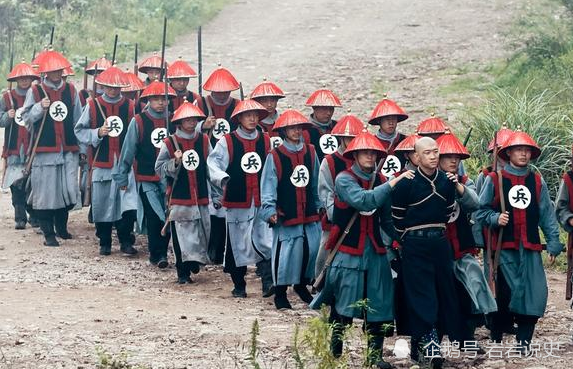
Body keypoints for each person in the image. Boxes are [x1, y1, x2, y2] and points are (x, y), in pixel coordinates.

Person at [311, 130, 413, 369]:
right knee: (344, 303)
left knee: (379, 303)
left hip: (375, 252)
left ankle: (374, 356)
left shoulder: (379, 182)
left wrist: (403, 238)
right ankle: (336, 349)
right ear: (355, 155)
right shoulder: (344, 179)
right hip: (347, 251)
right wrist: (392, 183)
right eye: (364, 152)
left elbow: (386, 220)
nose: (369, 156)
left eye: (373, 153)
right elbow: (364, 201)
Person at [475, 129, 563, 351]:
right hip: (503, 248)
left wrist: (553, 241)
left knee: (534, 292)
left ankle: (524, 342)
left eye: (527, 150)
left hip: (530, 247)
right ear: (509, 153)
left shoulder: (536, 181)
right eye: (518, 150)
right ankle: (496, 335)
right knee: (504, 292)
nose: (523, 154)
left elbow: (546, 214)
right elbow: (481, 212)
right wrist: (496, 218)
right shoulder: (495, 179)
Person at [391, 136, 463, 367]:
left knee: (443, 294)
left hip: (440, 244)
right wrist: (409, 240)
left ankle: (423, 343)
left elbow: (449, 212)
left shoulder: (447, 182)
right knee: (421, 296)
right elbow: (397, 219)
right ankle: (430, 347)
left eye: (436, 152)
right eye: (427, 153)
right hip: (414, 244)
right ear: (416, 157)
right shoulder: (405, 183)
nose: (433, 157)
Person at [436, 130, 497, 349]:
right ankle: (434, 343)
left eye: (457, 157)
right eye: (448, 156)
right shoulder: (426, 181)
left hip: (461, 248)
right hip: (436, 251)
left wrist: (457, 186)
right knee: (440, 297)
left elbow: (475, 203)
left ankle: (466, 339)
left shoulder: (464, 181)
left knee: (469, 292)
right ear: (437, 158)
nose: (453, 160)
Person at [208, 99, 274, 298]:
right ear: (239, 118)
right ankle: (239, 284)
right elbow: (213, 163)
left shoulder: (266, 139)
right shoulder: (227, 141)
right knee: (238, 243)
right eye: (248, 115)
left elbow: (272, 167)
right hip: (237, 199)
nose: (253, 119)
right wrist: (223, 179)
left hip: (262, 199)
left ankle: (267, 281)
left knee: (265, 240)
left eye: (255, 115)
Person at [260, 108, 322, 309]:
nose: (296, 131)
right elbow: (268, 185)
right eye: (291, 128)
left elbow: (316, 182)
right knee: (286, 254)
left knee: (310, 251)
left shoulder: (311, 152)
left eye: (299, 127)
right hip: (286, 212)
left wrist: (320, 204)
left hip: (309, 212)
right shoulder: (275, 155)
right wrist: (269, 210)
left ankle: (301, 285)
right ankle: (280, 293)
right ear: (284, 131)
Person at [74, 66, 138, 256]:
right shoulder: (93, 105)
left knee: (125, 202)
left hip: (124, 163)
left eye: (116, 87)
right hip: (101, 162)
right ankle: (104, 241)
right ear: (102, 86)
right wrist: (97, 133)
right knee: (102, 202)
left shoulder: (130, 106)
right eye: (109, 87)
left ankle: (126, 241)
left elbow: (136, 131)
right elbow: (79, 130)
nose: (112, 90)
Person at [22, 49, 83, 247]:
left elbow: (78, 120)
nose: (57, 74)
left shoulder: (71, 90)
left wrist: (81, 148)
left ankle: (62, 227)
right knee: (46, 192)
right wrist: (40, 106)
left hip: (68, 149)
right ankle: (48, 233)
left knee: (67, 190)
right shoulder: (36, 91)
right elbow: (26, 118)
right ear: (46, 72)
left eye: (59, 70)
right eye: (53, 70)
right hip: (44, 151)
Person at [112, 81, 176, 268]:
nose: (160, 103)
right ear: (148, 100)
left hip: (169, 179)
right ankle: (158, 254)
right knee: (155, 216)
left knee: (168, 215)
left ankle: (162, 252)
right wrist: (122, 176)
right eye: (156, 99)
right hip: (146, 178)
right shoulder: (138, 121)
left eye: (164, 99)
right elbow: (128, 150)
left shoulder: (174, 120)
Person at [155, 99, 213, 283]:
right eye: (187, 120)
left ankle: (194, 262)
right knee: (182, 236)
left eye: (194, 119)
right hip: (180, 197)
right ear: (179, 122)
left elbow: (212, 165)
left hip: (201, 195)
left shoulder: (204, 140)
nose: (192, 123)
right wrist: (175, 162)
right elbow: (159, 168)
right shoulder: (170, 142)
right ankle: (183, 272)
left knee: (202, 232)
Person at [198, 65, 241, 264]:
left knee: (227, 205)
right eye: (218, 91)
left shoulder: (239, 106)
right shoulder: (201, 103)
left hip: (231, 161)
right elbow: (183, 126)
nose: (222, 95)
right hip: (206, 160)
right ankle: (211, 246)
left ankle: (226, 247)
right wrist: (202, 126)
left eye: (226, 91)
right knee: (210, 205)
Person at [315, 111, 364, 278]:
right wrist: (336, 215)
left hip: (362, 218)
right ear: (341, 138)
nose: (352, 142)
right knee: (325, 254)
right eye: (348, 138)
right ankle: (321, 287)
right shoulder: (329, 161)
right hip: (335, 219)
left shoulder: (366, 159)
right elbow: (325, 191)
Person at [0, 61, 39, 229]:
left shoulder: (37, 95)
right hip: (14, 146)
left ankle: (35, 215)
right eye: (21, 78)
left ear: (31, 78)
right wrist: (7, 116)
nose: (24, 81)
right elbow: (1, 121)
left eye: (27, 78)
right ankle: (20, 217)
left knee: (33, 181)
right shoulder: (7, 97)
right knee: (16, 183)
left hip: (34, 145)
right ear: (16, 79)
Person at [368, 95, 408, 178]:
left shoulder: (405, 141)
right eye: (387, 119)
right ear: (379, 121)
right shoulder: (371, 143)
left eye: (393, 119)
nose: (391, 123)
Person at [303, 87, 342, 162]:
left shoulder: (338, 127)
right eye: (324, 109)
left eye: (331, 109)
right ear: (314, 108)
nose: (328, 113)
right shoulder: (305, 129)